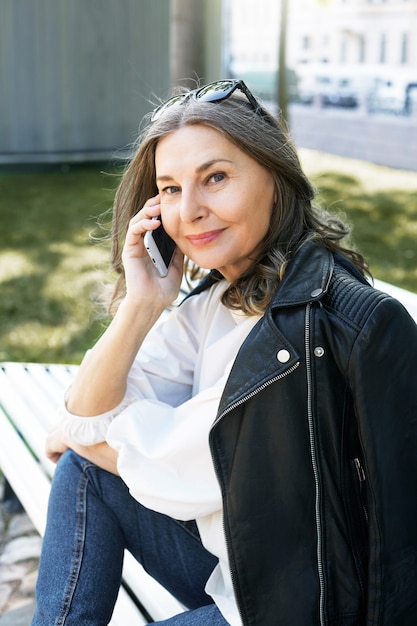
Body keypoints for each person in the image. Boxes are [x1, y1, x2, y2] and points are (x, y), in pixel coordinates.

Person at [31, 79, 417, 626]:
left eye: (215, 178)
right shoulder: (227, 293)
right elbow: (91, 414)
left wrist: (76, 432)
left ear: (277, 183)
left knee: (84, 455)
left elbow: (162, 461)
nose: (188, 211)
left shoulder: (304, 328)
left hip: (302, 608)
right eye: (168, 189)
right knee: (85, 468)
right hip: (248, 566)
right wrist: (142, 304)